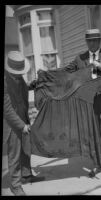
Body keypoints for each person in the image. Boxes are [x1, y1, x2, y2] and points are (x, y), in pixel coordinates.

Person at [64, 29, 101, 180]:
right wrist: (47, 76)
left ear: (99, 41)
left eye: (95, 40)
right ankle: (98, 164)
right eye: (89, 41)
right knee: (94, 135)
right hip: (90, 104)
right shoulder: (80, 59)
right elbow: (66, 72)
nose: (92, 43)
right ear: (86, 42)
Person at [3, 51, 44, 196]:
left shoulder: (19, 78)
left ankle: (26, 175)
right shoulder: (5, 83)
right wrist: (22, 125)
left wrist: (32, 84)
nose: (19, 74)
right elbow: (7, 111)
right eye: (17, 72)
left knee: (26, 149)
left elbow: (22, 89)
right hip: (12, 123)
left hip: (23, 117)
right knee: (14, 155)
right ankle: (15, 185)